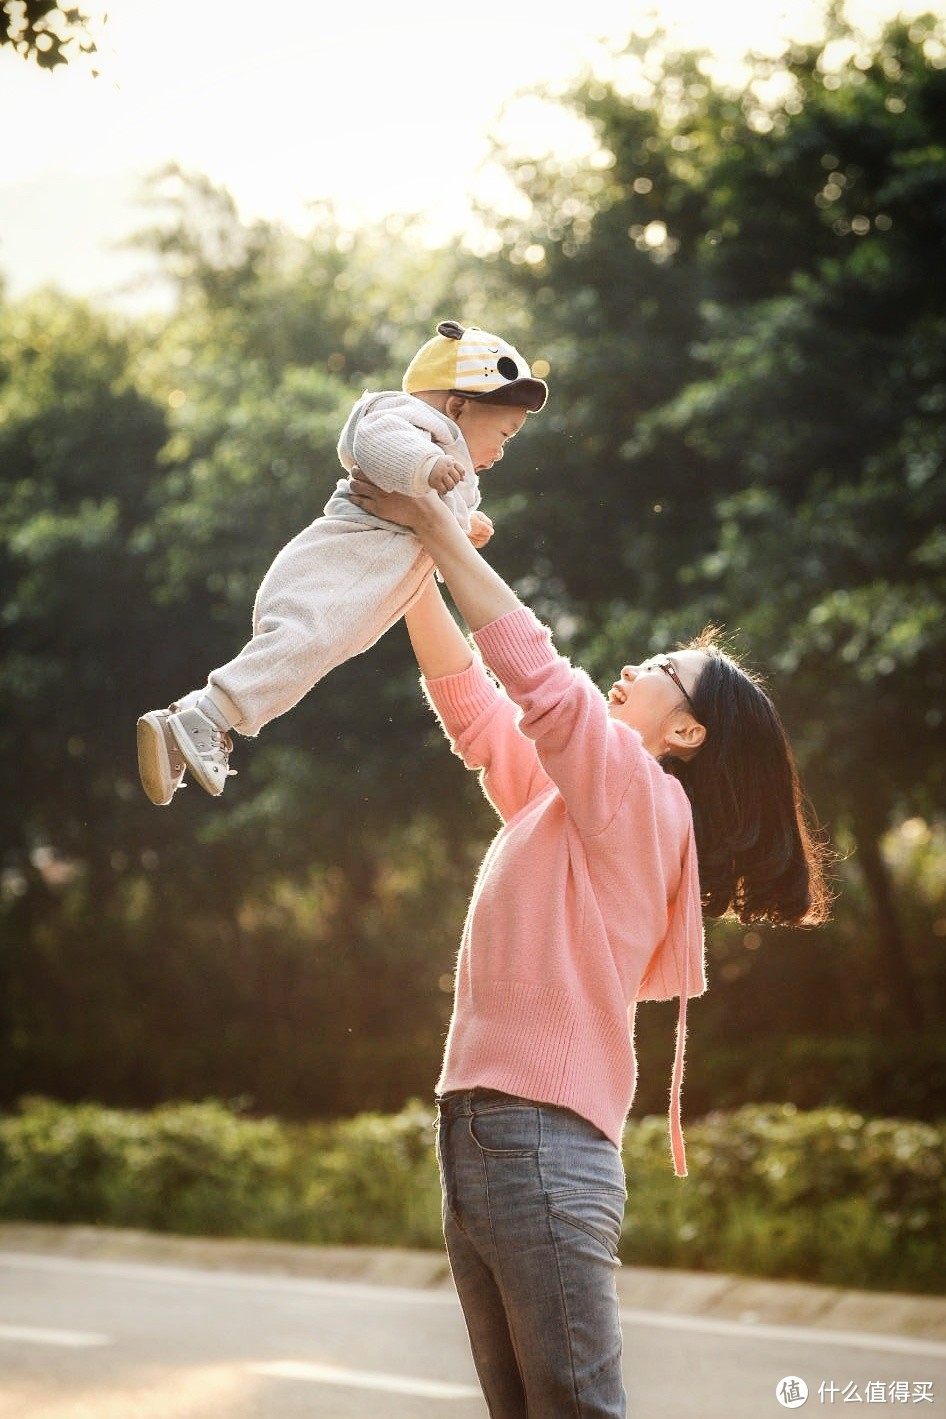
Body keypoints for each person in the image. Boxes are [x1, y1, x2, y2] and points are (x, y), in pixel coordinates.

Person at [349, 469, 832, 1419]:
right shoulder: (579, 799)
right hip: (483, 1131)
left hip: (539, 1136)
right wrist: (412, 570)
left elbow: (537, 675)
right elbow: (479, 710)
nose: (641, 666)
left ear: (686, 730)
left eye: (666, 672)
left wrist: (441, 530)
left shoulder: (642, 800)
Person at [136, 320, 548, 805]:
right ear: (456, 406)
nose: (502, 452)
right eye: (504, 433)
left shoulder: (445, 461)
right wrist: (426, 467)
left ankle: (184, 728)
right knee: (302, 647)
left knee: (301, 665)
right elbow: (378, 441)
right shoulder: (409, 421)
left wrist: (462, 527)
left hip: (357, 586)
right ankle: (206, 719)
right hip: (337, 569)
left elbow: (425, 528)